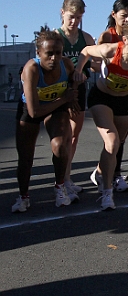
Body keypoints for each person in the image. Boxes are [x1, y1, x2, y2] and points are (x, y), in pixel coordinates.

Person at [74, 19, 128, 210]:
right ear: (125, 38)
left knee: (117, 143)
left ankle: (99, 171)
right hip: (102, 97)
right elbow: (86, 51)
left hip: (124, 102)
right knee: (111, 142)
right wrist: (79, 71)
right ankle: (107, 193)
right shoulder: (111, 50)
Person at [12, 31, 79, 213]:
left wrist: (73, 92)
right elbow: (34, 112)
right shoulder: (31, 69)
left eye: (58, 53)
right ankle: (23, 197)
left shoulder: (65, 64)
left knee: (59, 145)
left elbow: (74, 78)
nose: (54, 58)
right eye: (49, 53)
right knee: (26, 156)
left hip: (57, 106)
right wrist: (64, 99)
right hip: (32, 109)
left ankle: (60, 187)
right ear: (38, 52)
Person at [55, 0, 96, 196]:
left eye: (78, 18)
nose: (74, 22)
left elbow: (92, 66)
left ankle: (67, 178)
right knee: (61, 138)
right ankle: (60, 180)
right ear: (62, 13)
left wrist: (84, 73)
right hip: (59, 92)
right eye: (71, 17)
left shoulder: (86, 39)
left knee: (73, 136)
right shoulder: (55, 38)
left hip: (78, 91)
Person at [96, 0, 128, 191]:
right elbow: (94, 61)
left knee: (121, 138)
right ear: (114, 16)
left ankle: (103, 171)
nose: (127, 19)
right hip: (106, 92)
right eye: (123, 16)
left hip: (126, 91)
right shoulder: (107, 36)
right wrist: (110, 67)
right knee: (111, 139)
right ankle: (113, 175)